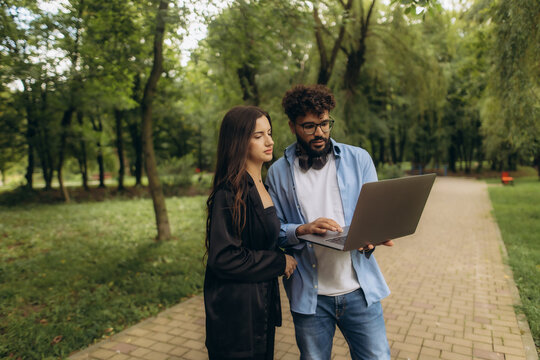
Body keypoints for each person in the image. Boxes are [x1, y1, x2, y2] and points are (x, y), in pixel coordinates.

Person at [266, 84, 394, 360]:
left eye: (324, 123)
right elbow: (273, 230)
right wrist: (301, 230)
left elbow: (374, 216)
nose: (320, 133)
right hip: (310, 298)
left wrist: (371, 238)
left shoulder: (359, 159)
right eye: (309, 126)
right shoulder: (277, 172)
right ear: (292, 126)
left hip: (360, 290)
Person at [204, 105, 298, 360]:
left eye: (269, 132)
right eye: (258, 136)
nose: (270, 141)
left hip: (260, 306)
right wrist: (279, 261)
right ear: (238, 141)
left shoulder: (261, 185)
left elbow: (258, 240)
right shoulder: (229, 192)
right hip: (237, 315)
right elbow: (224, 258)